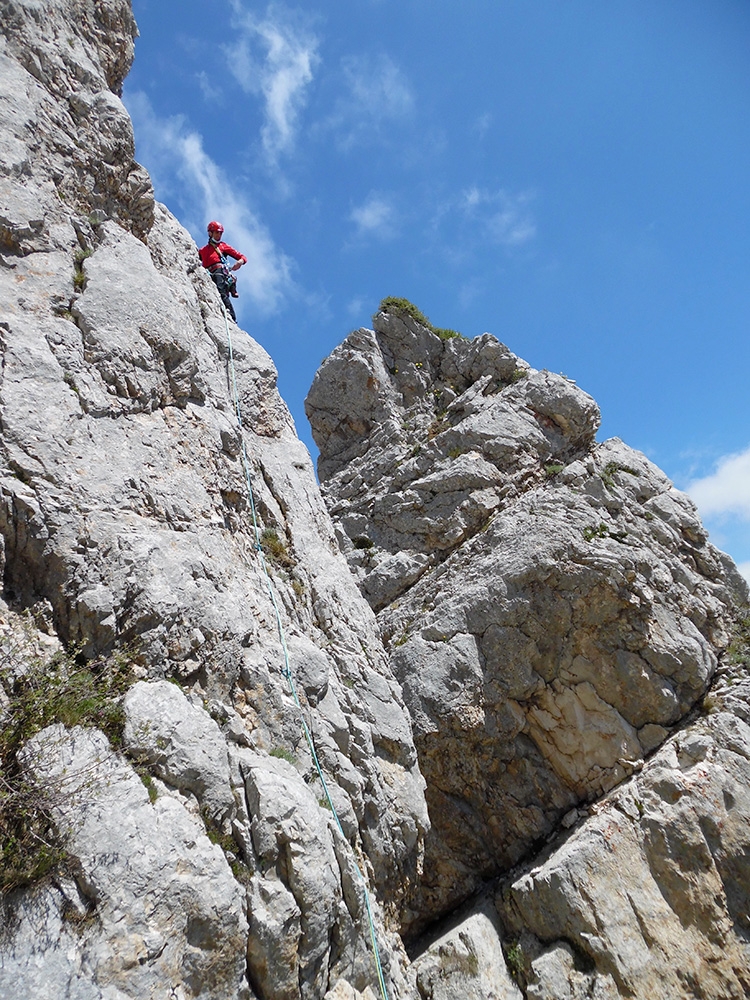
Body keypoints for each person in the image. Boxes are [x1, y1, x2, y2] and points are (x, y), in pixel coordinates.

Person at [198, 221, 247, 321]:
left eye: (220, 233)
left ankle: (231, 316)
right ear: (210, 233)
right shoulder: (203, 250)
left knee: (221, 291)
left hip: (219, 271)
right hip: (207, 273)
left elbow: (242, 257)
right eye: (217, 233)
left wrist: (240, 262)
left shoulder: (223, 246)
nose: (219, 235)